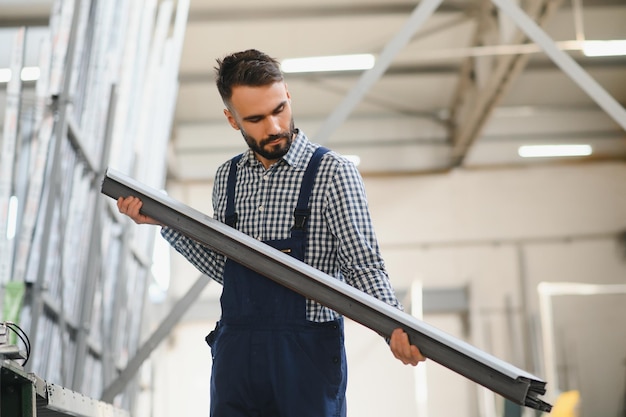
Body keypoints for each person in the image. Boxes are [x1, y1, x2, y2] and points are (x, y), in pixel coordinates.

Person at [117, 48, 425, 417]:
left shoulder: (332, 173)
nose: (275, 127)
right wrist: (166, 223)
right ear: (233, 120)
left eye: (279, 109)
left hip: (305, 361)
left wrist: (393, 325)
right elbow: (230, 269)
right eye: (257, 118)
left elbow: (363, 265)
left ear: (288, 95)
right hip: (237, 356)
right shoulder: (228, 178)